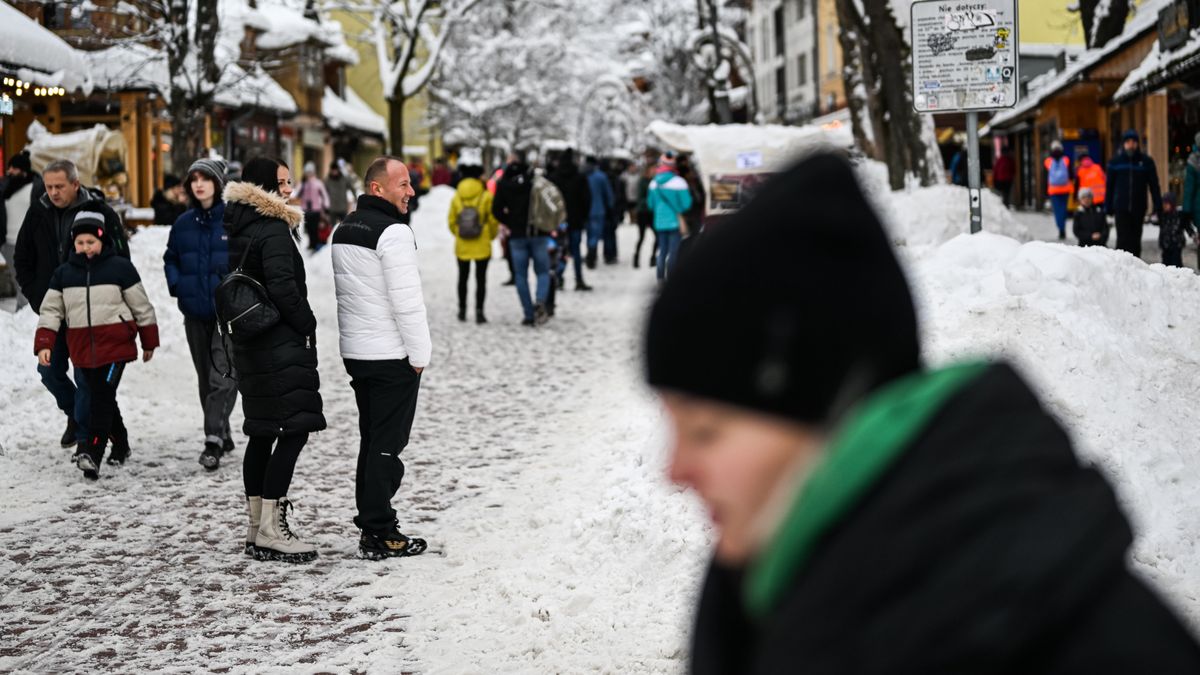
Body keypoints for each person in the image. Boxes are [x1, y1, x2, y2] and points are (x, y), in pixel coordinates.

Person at [645, 152, 1200, 674]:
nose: (673, 470)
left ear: (831, 410)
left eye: (705, 431)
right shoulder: (762, 587)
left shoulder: (1088, 643)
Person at [223, 157, 326, 563]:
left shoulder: (239, 226)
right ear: (264, 186)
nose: (288, 189)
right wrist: (307, 323)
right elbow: (284, 290)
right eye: (281, 183)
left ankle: (255, 525)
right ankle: (270, 529)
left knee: (264, 431)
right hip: (278, 343)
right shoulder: (274, 230)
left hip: (251, 341)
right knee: (291, 429)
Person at [331, 156, 431, 560]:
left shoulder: (345, 228)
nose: (410, 191)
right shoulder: (393, 232)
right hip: (390, 355)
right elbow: (407, 303)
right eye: (403, 184)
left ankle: (373, 522)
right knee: (387, 446)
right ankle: (379, 529)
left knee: (372, 441)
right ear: (378, 189)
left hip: (357, 352)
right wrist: (419, 354)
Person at [14, 159, 129, 454]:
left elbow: (122, 259)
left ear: (75, 184)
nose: (53, 192)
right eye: (49, 186)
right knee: (48, 370)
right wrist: (37, 296)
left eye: (59, 186)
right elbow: (22, 258)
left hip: (90, 312)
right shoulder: (38, 212)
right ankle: (80, 416)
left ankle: (85, 439)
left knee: (85, 377)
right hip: (53, 310)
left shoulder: (100, 212)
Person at [35, 212, 157, 479]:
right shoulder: (64, 274)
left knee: (100, 396)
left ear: (102, 240)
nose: (85, 247)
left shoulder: (120, 268)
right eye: (80, 243)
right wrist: (45, 342)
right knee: (102, 396)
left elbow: (142, 306)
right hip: (82, 350)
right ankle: (121, 443)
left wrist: (148, 340)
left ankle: (92, 453)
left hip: (116, 348)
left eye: (91, 241)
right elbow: (51, 311)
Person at [163, 157, 238, 471]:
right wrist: (177, 284)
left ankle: (213, 441)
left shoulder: (234, 220)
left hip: (227, 314)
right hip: (194, 312)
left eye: (205, 178)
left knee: (223, 375)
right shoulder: (183, 224)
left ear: (218, 183)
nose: (198, 184)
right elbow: (171, 258)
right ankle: (223, 429)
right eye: (193, 179)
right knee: (205, 378)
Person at [493, 151, 551, 326]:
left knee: (520, 276)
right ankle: (540, 300)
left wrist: (509, 221)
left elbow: (496, 210)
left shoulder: (503, 183)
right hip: (538, 232)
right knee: (543, 272)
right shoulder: (534, 180)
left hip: (517, 236)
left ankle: (528, 314)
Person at [448, 163, 499, 323]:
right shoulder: (486, 196)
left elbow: (451, 220)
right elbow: (492, 220)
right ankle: (479, 312)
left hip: (462, 243)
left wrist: (459, 233)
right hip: (482, 243)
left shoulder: (457, 196)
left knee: (462, 278)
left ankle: (462, 311)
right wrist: (489, 236)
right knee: (480, 279)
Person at [1106, 129, 1162, 257]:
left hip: (1139, 207)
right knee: (1122, 240)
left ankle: (1135, 269)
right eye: (1128, 142)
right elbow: (1109, 186)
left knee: (1135, 240)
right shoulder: (1115, 162)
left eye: (1133, 142)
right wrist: (1107, 206)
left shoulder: (1146, 162)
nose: (1131, 145)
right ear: (1124, 144)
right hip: (1121, 207)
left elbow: (1154, 185)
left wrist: (1157, 206)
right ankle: (1121, 267)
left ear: (1137, 144)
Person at [2, 151, 44, 306]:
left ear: (24, 170)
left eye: (14, 168)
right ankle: (22, 314)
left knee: (25, 282)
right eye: (9, 167)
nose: (10, 171)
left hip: (27, 243)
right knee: (18, 281)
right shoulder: (5, 188)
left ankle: (25, 313)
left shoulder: (37, 187)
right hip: (7, 243)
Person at [549, 149, 593, 291]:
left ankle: (559, 278)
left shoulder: (553, 178)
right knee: (576, 251)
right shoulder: (580, 177)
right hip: (576, 220)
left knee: (560, 251)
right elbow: (587, 199)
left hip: (558, 221)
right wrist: (583, 216)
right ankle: (578, 279)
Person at [647, 152, 692, 282]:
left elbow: (650, 205)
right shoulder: (679, 182)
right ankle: (671, 280)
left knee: (662, 251)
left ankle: (660, 278)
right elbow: (687, 204)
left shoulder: (653, 183)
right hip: (675, 222)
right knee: (674, 252)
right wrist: (679, 209)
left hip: (659, 222)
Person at [584, 156, 614, 269]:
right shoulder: (601, 176)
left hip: (585, 210)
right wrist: (610, 207)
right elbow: (608, 194)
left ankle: (591, 253)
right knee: (595, 234)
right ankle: (592, 254)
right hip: (598, 210)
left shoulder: (583, 175)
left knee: (588, 233)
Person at [295, 162, 330, 252]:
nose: (309, 174)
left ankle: (315, 244)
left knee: (315, 228)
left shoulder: (318, 183)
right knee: (309, 228)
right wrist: (301, 183)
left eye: (310, 172)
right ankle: (311, 243)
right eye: (307, 172)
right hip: (306, 209)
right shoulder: (303, 184)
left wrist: (326, 206)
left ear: (313, 172)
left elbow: (324, 195)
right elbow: (298, 194)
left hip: (316, 209)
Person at [1044, 141, 1072, 240]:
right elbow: (1071, 174)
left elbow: (1045, 177)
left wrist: (1045, 193)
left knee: (1057, 211)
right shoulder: (1066, 160)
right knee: (1063, 210)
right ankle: (1063, 228)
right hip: (1065, 189)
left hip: (1053, 190)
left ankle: (1060, 229)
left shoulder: (1048, 161)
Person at [1180, 132, 1200, 267]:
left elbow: (1189, 189)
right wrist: (1186, 212)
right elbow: (1189, 189)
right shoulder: (1194, 162)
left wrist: (1186, 212)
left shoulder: (1193, 161)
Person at [1158, 193, 1194, 268]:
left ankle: (1178, 277)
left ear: (1172, 204)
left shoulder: (1179, 216)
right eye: (1163, 203)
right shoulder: (1163, 216)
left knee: (1176, 263)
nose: (1164, 205)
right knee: (1165, 264)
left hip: (1176, 244)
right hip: (1165, 245)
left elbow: (1187, 226)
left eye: (1167, 203)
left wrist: (1192, 234)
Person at [633, 162, 657, 269]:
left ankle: (653, 258)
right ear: (648, 170)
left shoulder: (655, 181)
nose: (655, 171)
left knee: (658, 236)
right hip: (643, 212)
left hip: (652, 213)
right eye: (653, 169)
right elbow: (640, 198)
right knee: (642, 237)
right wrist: (651, 202)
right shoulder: (642, 181)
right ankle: (636, 258)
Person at [323, 160, 354, 227]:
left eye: (335, 170)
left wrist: (356, 197)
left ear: (338, 170)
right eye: (333, 170)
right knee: (332, 227)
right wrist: (324, 207)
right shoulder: (327, 180)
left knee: (344, 226)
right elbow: (323, 194)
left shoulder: (344, 179)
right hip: (332, 208)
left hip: (342, 207)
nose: (334, 172)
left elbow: (352, 188)